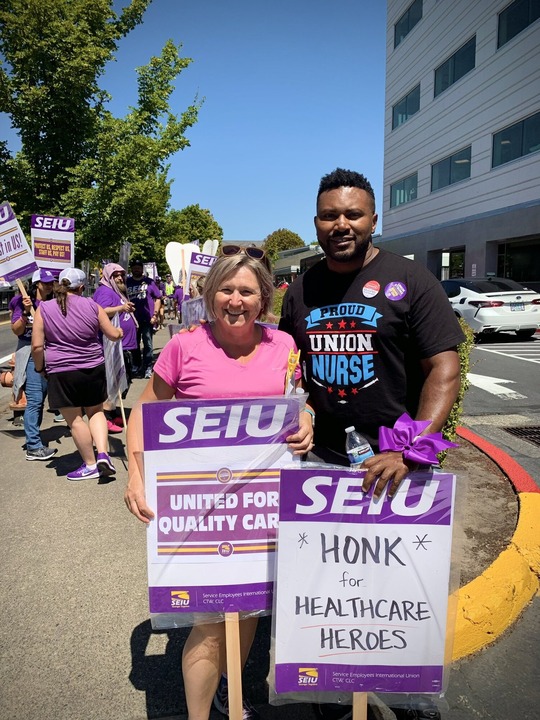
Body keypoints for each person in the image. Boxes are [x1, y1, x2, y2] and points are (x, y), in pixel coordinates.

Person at [278, 169, 465, 720]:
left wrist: (410, 451)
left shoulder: (411, 280)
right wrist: (300, 412)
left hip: (395, 467)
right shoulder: (303, 288)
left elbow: (444, 368)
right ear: (316, 222)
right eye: (329, 215)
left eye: (352, 215)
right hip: (319, 465)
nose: (341, 225)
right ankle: (332, 694)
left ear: (373, 219)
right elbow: (294, 371)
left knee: (399, 590)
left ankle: (409, 697)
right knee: (327, 590)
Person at [125, 254, 314, 720]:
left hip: (260, 506)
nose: (236, 300)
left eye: (247, 292)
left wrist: (307, 420)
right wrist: (134, 473)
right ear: (210, 296)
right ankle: (199, 714)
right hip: (200, 507)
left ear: (264, 299)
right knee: (210, 621)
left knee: (248, 609)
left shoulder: (284, 344)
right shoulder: (185, 347)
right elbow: (143, 414)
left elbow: (297, 403)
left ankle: (230, 690)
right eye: (226, 290)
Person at [31, 268, 123, 481]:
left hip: (61, 370)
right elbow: (111, 334)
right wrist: (120, 333)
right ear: (82, 287)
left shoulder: (44, 309)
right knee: (96, 411)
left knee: (74, 420)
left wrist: (40, 368)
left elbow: (37, 346)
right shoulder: (93, 305)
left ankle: (90, 464)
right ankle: (103, 454)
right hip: (92, 367)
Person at [11, 268, 57, 461]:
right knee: (35, 399)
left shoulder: (54, 303)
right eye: (45, 282)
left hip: (48, 354)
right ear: (37, 283)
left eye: (51, 282)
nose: (49, 285)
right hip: (30, 354)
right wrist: (23, 313)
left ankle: (34, 438)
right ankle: (33, 446)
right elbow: (16, 330)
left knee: (42, 398)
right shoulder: (21, 301)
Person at [93, 263, 138, 432]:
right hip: (111, 345)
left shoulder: (116, 290)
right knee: (112, 381)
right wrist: (121, 307)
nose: (120, 277)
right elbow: (101, 311)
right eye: (115, 275)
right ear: (107, 276)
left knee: (120, 380)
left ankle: (111, 411)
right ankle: (105, 416)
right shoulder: (105, 291)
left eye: (121, 274)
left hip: (124, 344)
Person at [126, 258, 162, 379]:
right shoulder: (127, 282)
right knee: (133, 344)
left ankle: (147, 366)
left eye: (139, 267)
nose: (136, 269)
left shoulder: (150, 282)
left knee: (148, 344)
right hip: (132, 319)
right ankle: (136, 364)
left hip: (147, 319)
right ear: (132, 269)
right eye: (134, 267)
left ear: (142, 269)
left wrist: (155, 314)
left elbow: (158, 298)